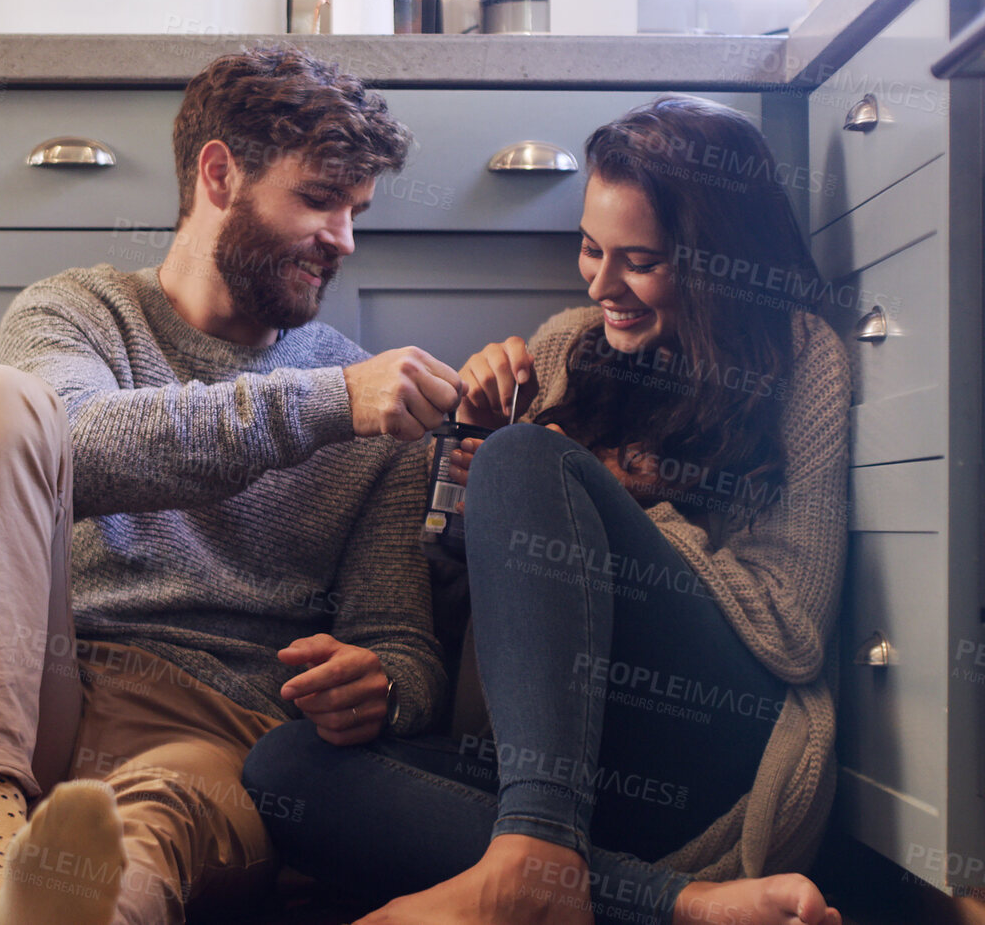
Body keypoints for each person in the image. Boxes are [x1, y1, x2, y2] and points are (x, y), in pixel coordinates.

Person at [242, 95, 853, 925]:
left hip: (715, 754)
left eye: (639, 260)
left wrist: (612, 503)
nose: (603, 284)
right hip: (564, 770)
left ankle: (534, 851)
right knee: (284, 772)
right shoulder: (568, 343)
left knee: (528, 458)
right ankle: (674, 903)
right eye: (590, 248)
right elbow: (487, 615)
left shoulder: (799, 356)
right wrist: (472, 458)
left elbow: (790, 628)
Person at [0, 46, 465, 925]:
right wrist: (327, 404)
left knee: (138, 840)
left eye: (355, 212)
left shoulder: (371, 411)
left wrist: (384, 684)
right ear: (218, 174)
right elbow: (81, 451)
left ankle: (37, 908)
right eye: (318, 200)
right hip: (26, 699)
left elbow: (403, 643)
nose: (343, 241)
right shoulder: (78, 313)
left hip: (211, 734)